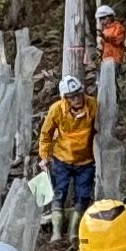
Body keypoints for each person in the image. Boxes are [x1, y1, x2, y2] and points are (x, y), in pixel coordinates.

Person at [38, 72, 101, 232]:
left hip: (86, 161)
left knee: (83, 195)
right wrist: (44, 156)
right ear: (65, 98)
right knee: (59, 192)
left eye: (79, 95)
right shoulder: (56, 110)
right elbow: (46, 134)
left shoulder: (92, 105)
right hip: (62, 159)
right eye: (72, 97)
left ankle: (74, 231)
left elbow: (101, 128)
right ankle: (57, 231)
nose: (77, 99)